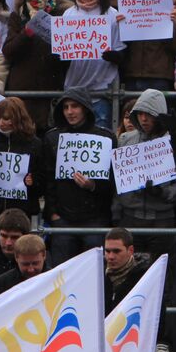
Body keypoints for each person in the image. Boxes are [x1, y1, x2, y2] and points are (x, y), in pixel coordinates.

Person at [113, 90, 176, 268]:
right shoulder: (125, 140)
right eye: (140, 114)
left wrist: (163, 192)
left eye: (149, 114)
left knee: (162, 277)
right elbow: (117, 181)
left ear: (159, 116)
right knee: (130, 276)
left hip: (162, 220)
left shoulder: (171, 143)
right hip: (130, 218)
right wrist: (116, 214)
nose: (144, 119)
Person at [41, 89, 116, 266]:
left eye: (74, 106)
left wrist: (93, 186)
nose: (69, 112)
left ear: (85, 109)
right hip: (63, 219)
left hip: (95, 218)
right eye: (66, 107)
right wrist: (53, 214)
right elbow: (48, 179)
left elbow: (112, 182)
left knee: (94, 271)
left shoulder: (106, 138)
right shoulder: (52, 138)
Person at [0, 0, 71, 133]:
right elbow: (9, 51)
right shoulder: (18, 14)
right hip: (23, 92)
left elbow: (67, 56)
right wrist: (28, 31)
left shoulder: (61, 14)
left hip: (51, 92)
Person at [62, 0, 126, 129]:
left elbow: (121, 52)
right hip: (74, 91)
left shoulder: (112, 15)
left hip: (100, 92)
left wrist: (112, 55)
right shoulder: (68, 15)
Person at [121, 0, 176, 95]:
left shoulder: (174, 1)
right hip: (132, 74)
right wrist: (121, 24)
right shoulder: (131, 2)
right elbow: (124, 43)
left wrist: (170, 24)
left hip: (159, 76)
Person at [0, 97, 42, 223]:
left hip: (24, 213)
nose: (0, 123)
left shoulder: (35, 144)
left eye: (5, 118)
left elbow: (42, 178)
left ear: (18, 118)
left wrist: (33, 182)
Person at [103, 228, 168, 352]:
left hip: (136, 344)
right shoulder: (96, 275)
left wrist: (160, 342)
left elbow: (158, 311)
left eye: (116, 251)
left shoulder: (147, 277)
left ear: (130, 250)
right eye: (107, 251)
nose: (110, 257)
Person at [0, 234, 47, 306]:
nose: (31, 269)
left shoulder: (56, 281)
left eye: (35, 263)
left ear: (44, 255)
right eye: (25, 264)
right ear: (16, 257)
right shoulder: (1, 285)